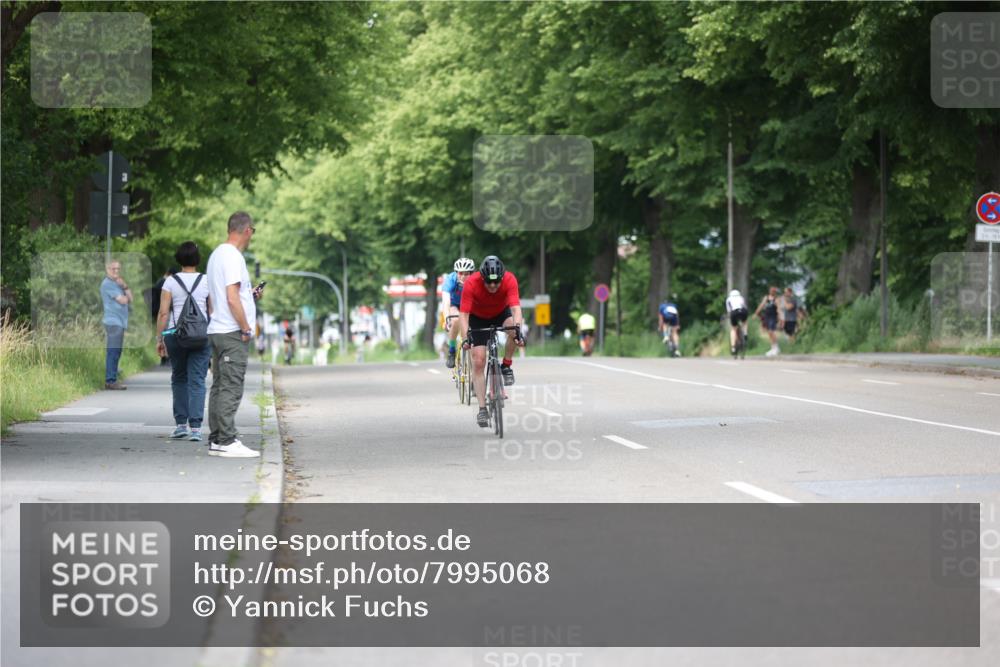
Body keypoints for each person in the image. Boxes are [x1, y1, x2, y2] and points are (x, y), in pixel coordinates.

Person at [205, 211, 265, 458]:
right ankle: (227, 440)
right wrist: (245, 327)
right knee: (231, 386)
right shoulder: (233, 257)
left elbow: (215, 297)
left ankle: (218, 439)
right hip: (231, 332)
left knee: (219, 385)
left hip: (218, 328)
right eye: (252, 232)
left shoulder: (216, 255)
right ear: (247, 230)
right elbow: (231, 297)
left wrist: (248, 298)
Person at [155, 242, 212, 442]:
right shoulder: (206, 281)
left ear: (179, 259)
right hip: (201, 335)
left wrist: (159, 338)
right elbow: (211, 311)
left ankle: (181, 425)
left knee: (179, 377)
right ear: (198, 259)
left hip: (174, 335)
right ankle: (196, 428)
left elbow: (163, 313)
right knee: (197, 380)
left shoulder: (170, 282)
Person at [460, 255, 524, 428]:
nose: (493, 286)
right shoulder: (471, 283)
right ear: (482, 278)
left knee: (513, 331)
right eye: (489, 283)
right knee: (479, 360)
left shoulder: (509, 280)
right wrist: (466, 336)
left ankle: (506, 365)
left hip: (500, 312)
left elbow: (516, 309)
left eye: (497, 283)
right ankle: (482, 409)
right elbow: (464, 315)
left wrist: (518, 331)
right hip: (477, 317)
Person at [100, 260, 132, 390]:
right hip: (113, 322)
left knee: (116, 351)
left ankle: (112, 378)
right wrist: (124, 288)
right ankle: (110, 380)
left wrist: (125, 286)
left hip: (120, 322)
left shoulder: (117, 284)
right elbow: (124, 300)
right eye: (113, 269)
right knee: (113, 351)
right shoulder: (108, 284)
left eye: (118, 269)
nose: (116, 271)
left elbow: (131, 297)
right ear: (107, 269)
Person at [443, 257, 476, 369]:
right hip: (455, 305)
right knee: (455, 319)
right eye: (460, 273)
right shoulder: (450, 279)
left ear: (471, 273)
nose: (463, 276)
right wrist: (447, 318)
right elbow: (446, 302)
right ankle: (452, 350)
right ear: (456, 272)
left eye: (466, 274)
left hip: (470, 306)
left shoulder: (477, 281)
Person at [150, 267, 179, 366]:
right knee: (167, 333)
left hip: (158, 311)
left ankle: (164, 356)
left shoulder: (159, 282)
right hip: (164, 311)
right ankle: (166, 356)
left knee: (164, 333)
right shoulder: (165, 283)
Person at [754, 286, 781, 357]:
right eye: (771, 291)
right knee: (769, 332)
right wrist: (756, 313)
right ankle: (773, 348)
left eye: (773, 291)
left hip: (773, 317)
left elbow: (778, 308)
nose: (771, 292)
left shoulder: (776, 299)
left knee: (771, 331)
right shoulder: (766, 298)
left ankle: (776, 347)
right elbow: (761, 305)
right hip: (767, 317)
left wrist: (779, 317)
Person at [725, 289, 749, 356]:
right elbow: (744, 306)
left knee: (733, 329)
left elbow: (729, 310)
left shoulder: (729, 299)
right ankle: (745, 333)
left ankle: (733, 347)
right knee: (744, 322)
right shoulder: (741, 298)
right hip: (743, 311)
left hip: (734, 312)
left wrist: (728, 316)